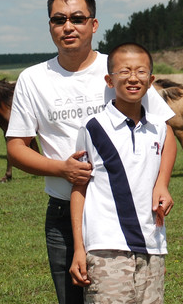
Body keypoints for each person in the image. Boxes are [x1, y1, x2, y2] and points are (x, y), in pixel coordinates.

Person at [6, 0, 176, 304]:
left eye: (77, 18)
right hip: (65, 212)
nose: (68, 26)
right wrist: (63, 169)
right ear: (50, 26)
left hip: (124, 212)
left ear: (93, 25)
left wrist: (162, 183)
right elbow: (16, 148)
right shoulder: (33, 79)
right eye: (59, 20)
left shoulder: (120, 68)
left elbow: (165, 134)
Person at [69, 42, 173, 303]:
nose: (133, 78)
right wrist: (79, 249)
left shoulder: (158, 128)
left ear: (150, 81)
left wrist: (163, 184)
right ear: (109, 80)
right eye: (124, 72)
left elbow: (170, 136)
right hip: (106, 250)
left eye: (140, 72)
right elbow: (79, 188)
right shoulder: (93, 129)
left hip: (152, 245)